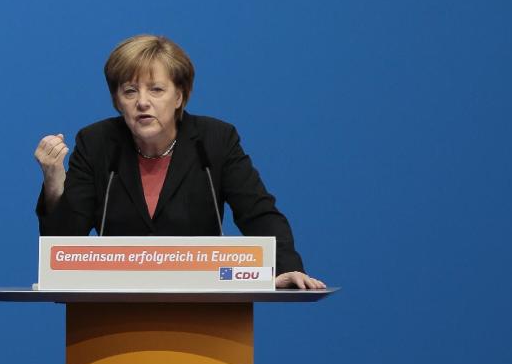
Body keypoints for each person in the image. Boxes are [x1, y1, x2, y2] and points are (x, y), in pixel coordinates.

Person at [35, 33, 325, 290]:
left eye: (156, 89)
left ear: (180, 96)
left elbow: (259, 213)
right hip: (110, 315)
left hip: (204, 314)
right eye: (130, 90)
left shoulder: (215, 140)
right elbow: (63, 247)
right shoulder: (96, 143)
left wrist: (287, 267)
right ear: (117, 100)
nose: (142, 102)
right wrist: (53, 180)